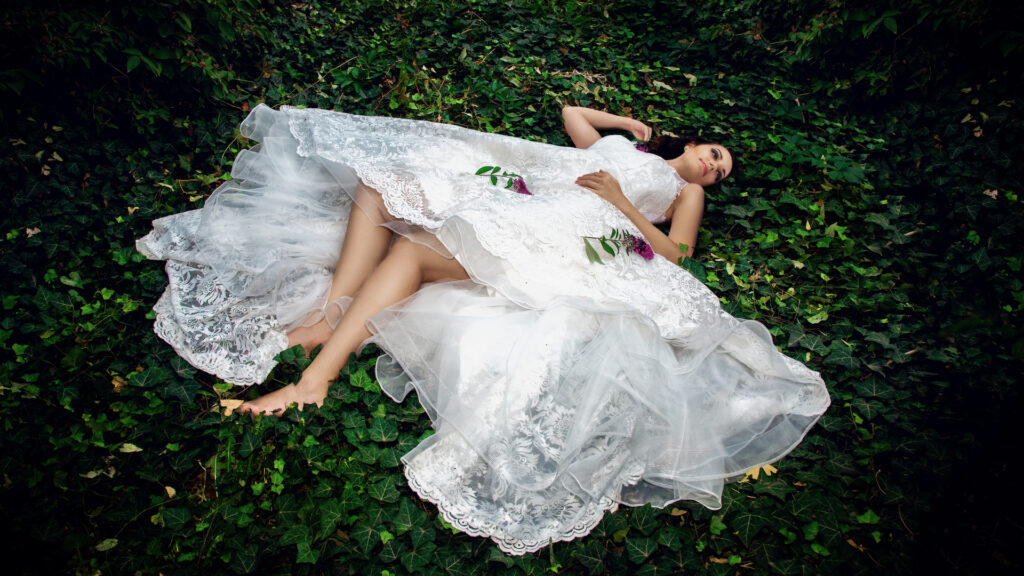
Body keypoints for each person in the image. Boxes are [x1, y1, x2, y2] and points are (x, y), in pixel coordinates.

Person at [138, 104, 829, 554]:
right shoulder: (627, 144)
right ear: (698, 138)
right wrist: (626, 123)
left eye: (722, 169)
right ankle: (327, 326)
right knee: (387, 190)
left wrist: (623, 201)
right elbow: (570, 120)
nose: (713, 165)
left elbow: (678, 254)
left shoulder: (686, 193)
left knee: (412, 243)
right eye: (714, 152)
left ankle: (316, 370)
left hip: (578, 229)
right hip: (534, 196)